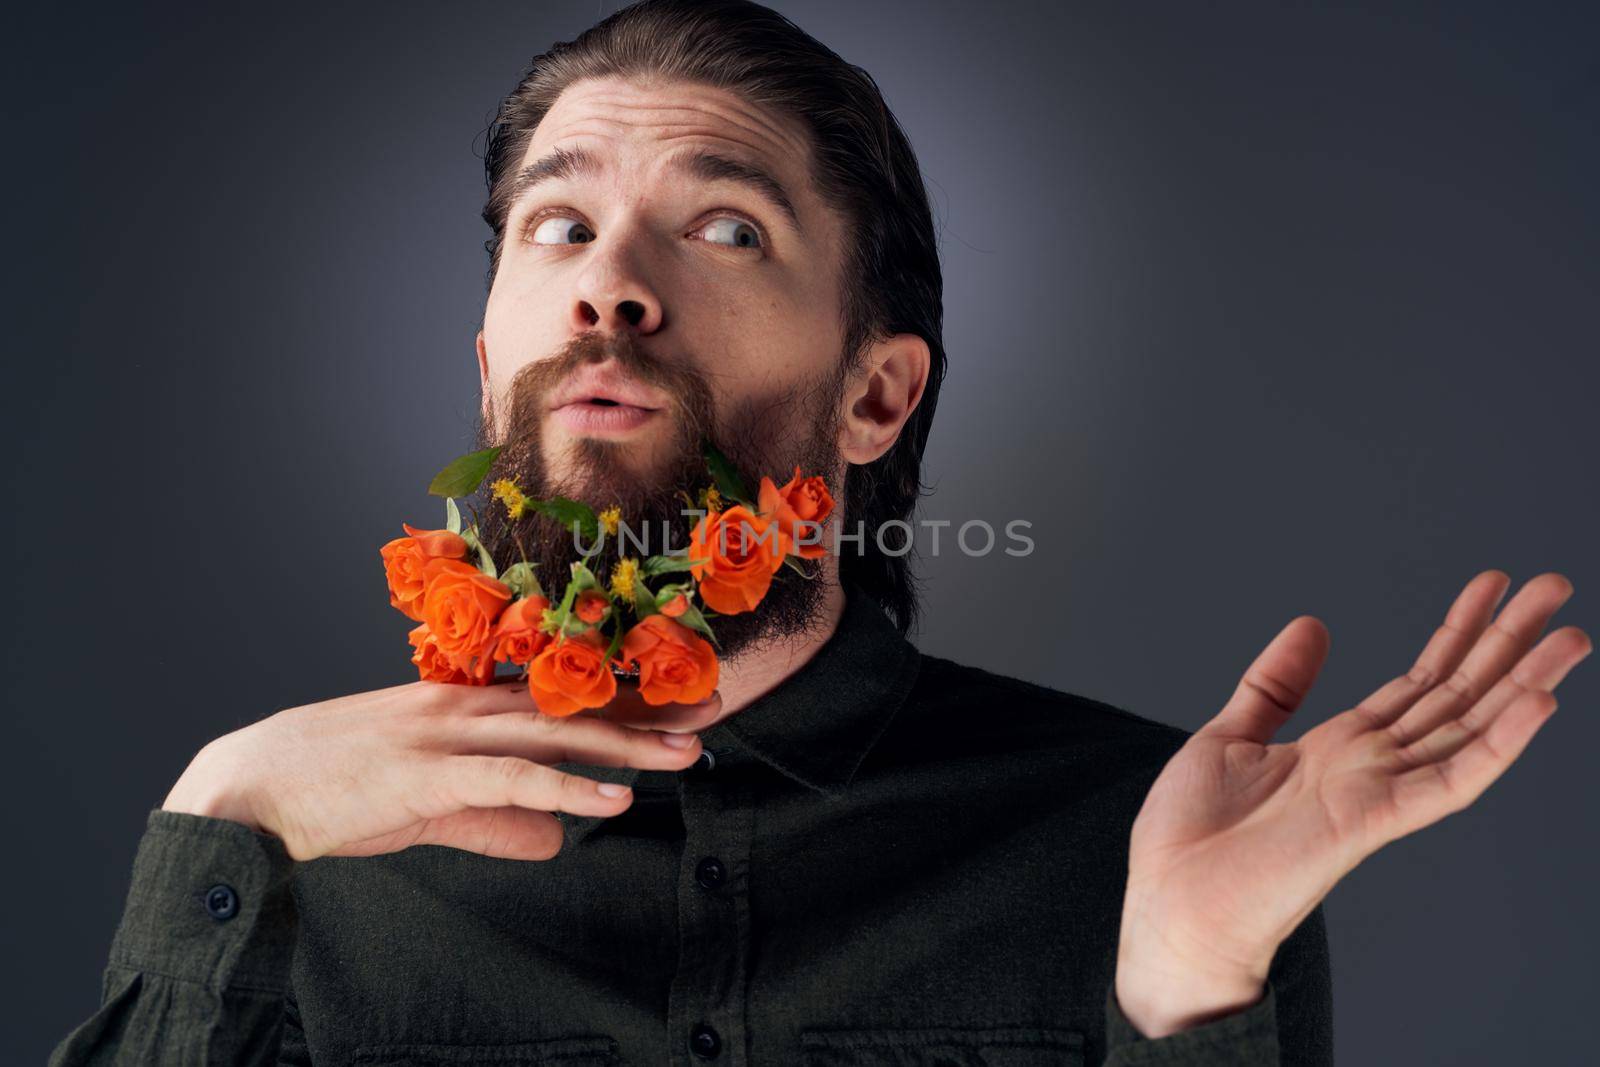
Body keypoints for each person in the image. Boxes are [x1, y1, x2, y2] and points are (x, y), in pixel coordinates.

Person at [49, 2, 1588, 1065]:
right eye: (560, 225)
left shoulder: (1160, 853)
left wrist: (1184, 994)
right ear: (488, 365)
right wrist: (224, 816)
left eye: (727, 227)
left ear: (875, 397)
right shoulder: (291, 876)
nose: (610, 284)